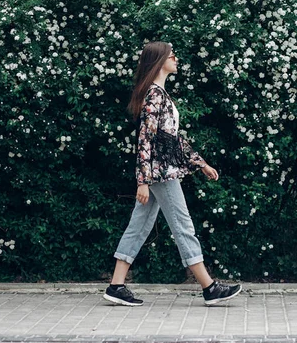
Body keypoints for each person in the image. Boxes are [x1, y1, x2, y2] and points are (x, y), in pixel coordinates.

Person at [103, 41, 242, 306]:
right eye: (172, 56)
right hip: (160, 173)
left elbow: (173, 140)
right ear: (159, 61)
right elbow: (146, 139)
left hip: (159, 171)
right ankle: (209, 287)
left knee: (139, 225)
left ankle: (116, 286)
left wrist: (200, 163)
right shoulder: (154, 95)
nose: (176, 59)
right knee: (183, 225)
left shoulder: (159, 93)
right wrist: (142, 181)